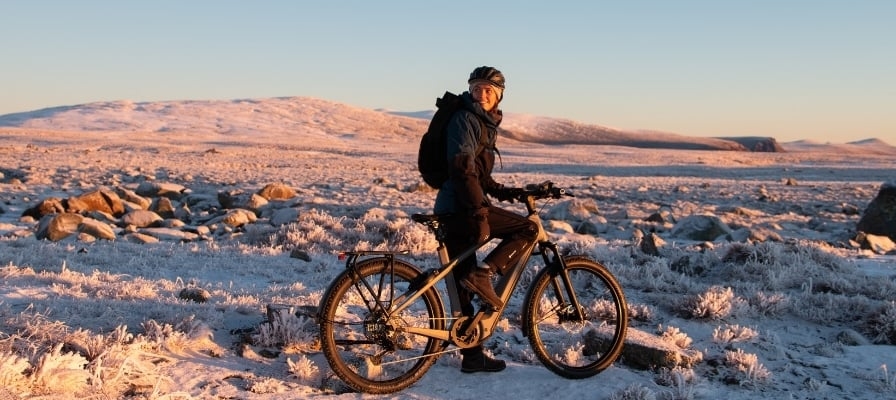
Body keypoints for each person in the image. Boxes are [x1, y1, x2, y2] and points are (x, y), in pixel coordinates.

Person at [433, 66, 539, 373]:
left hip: (458, 206)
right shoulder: (466, 119)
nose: (482, 93)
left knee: (462, 281)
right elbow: (462, 169)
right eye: (477, 88)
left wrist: (511, 193)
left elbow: (480, 176)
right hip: (460, 207)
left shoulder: (482, 123)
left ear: (499, 97)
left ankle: (473, 356)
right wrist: (480, 211)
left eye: (488, 90)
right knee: (528, 229)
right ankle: (486, 273)